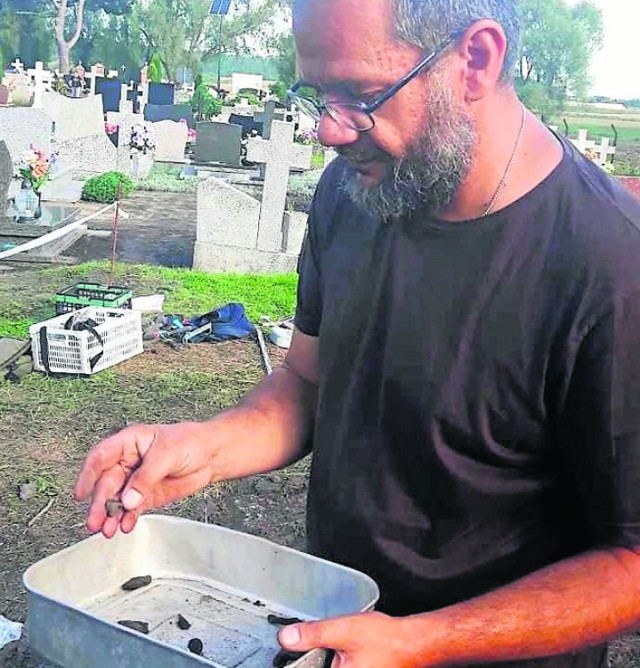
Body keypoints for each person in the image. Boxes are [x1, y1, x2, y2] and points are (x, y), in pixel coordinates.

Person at [75, 0, 640, 665]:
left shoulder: (611, 268)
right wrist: (206, 449)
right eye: (318, 96)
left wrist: (416, 643)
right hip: (334, 633)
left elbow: (631, 560)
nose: (329, 133)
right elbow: (307, 384)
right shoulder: (355, 194)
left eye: (360, 95)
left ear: (475, 60)